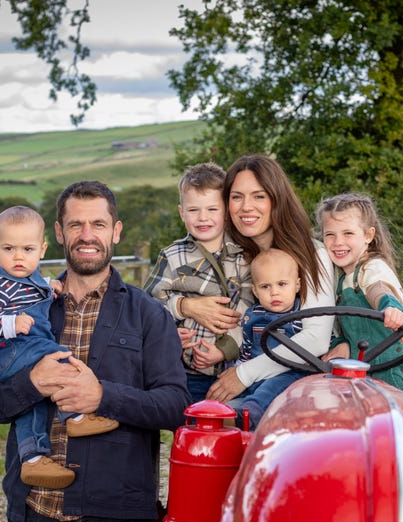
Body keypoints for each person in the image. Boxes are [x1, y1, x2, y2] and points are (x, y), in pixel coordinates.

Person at [0, 182, 190, 522]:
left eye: (98, 224)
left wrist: (101, 396)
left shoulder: (149, 315)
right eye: (76, 224)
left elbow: (174, 406)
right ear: (58, 233)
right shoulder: (26, 306)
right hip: (36, 513)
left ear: (116, 231)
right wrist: (32, 384)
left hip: (118, 517)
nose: (87, 234)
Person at [0, 206, 119, 489]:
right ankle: (75, 415)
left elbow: (30, 290)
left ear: (43, 250)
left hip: (17, 353)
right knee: (58, 357)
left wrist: (51, 287)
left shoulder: (28, 281)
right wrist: (9, 324)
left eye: (27, 249)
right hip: (5, 351)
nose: (19, 257)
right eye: (9, 248)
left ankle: (33, 458)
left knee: (32, 402)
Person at [198, 154, 336, 404]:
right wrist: (188, 306)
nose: (246, 207)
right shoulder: (233, 255)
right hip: (228, 370)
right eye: (236, 197)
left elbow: (315, 340)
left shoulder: (311, 255)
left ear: (277, 199)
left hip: (295, 383)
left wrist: (243, 375)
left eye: (258, 196)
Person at [143, 162, 254, 403]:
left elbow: (250, 308)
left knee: (233, 428)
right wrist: (172, 328)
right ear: (182, 212)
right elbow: (150, 303)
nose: (203, 218)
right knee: (191, 427)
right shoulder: (172, 255)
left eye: (212, 209)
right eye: (193, 210)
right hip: (186, 371)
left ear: (226, 212)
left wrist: (224, 350)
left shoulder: (244, 255)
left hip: (234, 369)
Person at [317, 192, 403, 398]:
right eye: (330, 235)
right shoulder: (342, 281)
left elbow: (379, 288)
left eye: (348, 233)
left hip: (396, 375)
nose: (337, 242)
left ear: (368, 235)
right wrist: (340, 344)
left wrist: (389, 307)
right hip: (365, 375)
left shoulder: (372, 267)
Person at [229, 248, 309, 428]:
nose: (274, 292)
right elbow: (246, 348)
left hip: (288, 375)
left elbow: (318, 347)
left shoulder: (302, 315)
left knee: (273, 386)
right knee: (230, 387)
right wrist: (238, 369)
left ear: (297, 285)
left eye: (282, 284)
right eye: (266, 286)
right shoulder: (252, 316)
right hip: (256, 374)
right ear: (255, 291)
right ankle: (216, 415)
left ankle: (251, 415)